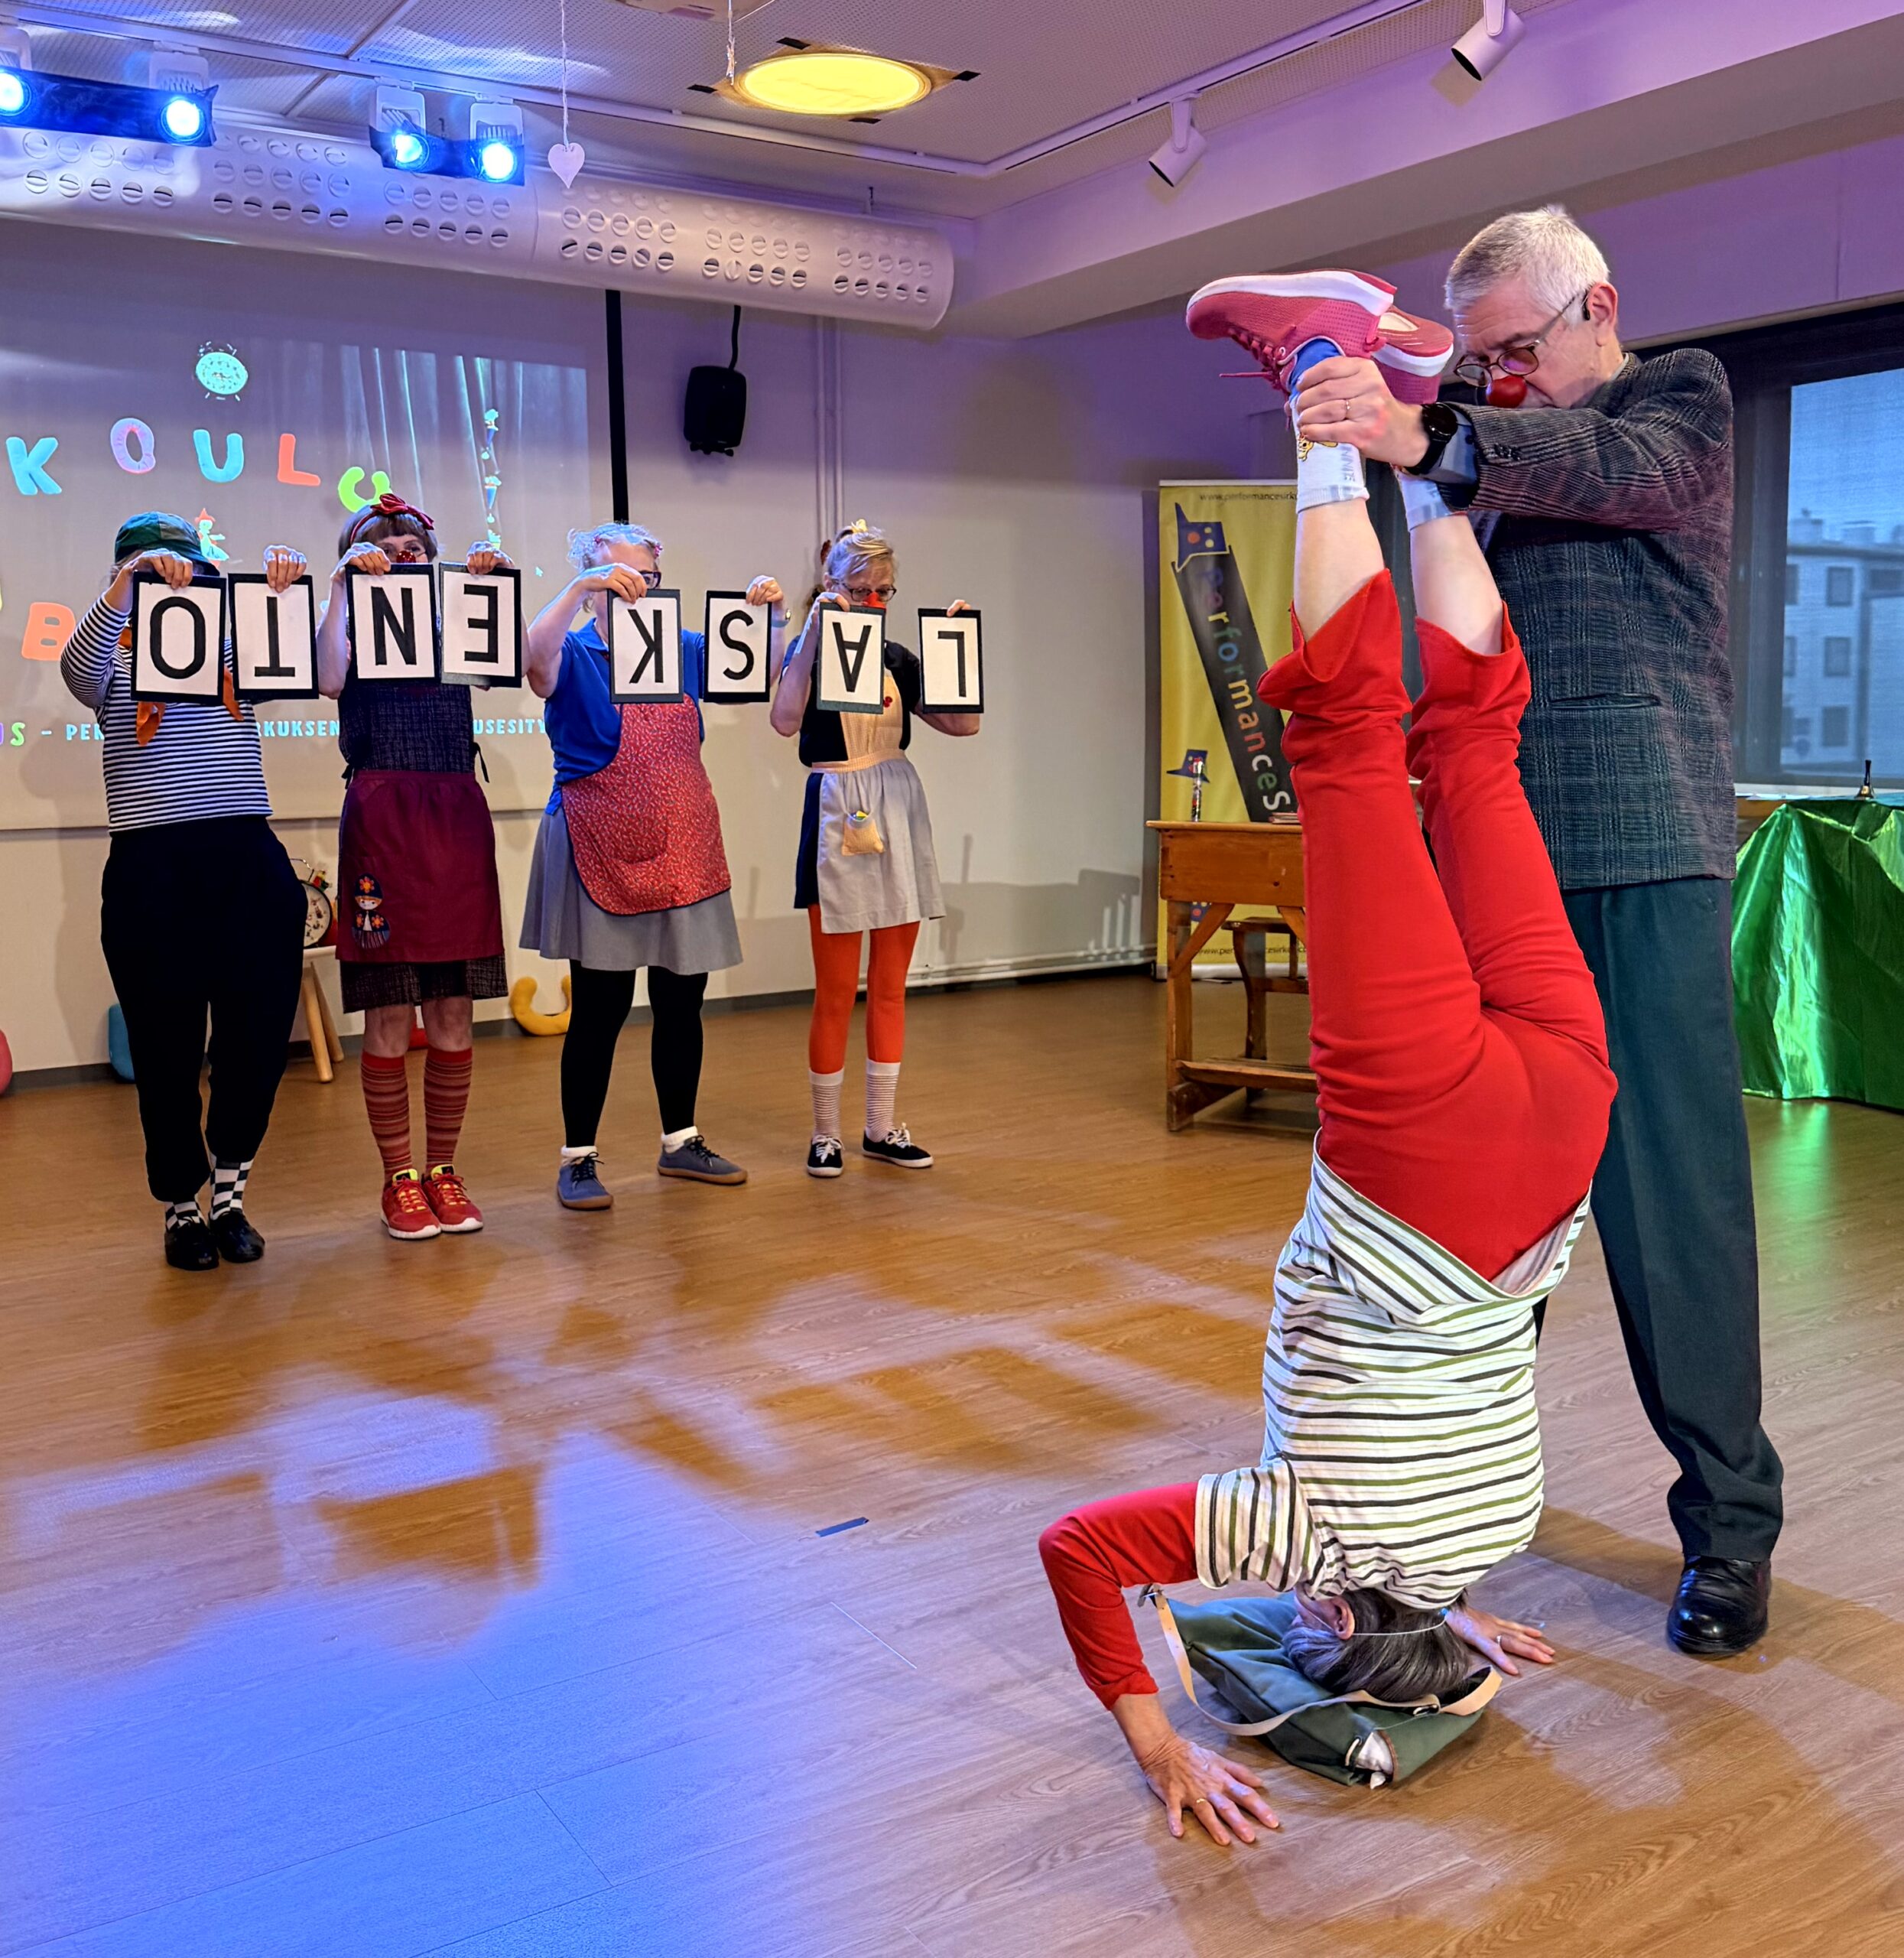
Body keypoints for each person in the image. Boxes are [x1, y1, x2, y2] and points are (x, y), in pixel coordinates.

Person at [1041, 274, 1616, 1846]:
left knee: (1476, 754)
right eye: (1310, 1629)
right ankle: (1323, 365)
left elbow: (1421, 1563)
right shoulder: (1305, 1534)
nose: (1286, 1613)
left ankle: (1429, 444)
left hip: (1562, 1140)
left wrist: (1450, 1619)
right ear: (1336, 1608)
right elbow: (1081, 1548)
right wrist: (1158, 1738)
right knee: (1348, 751)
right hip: (1421, 1158)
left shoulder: (1495, 1528)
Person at [1229, 209, 1784, 1659]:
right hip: (1497, 846)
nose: (1500, 382)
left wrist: (1424, 432)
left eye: (1516, 351)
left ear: (1597, 304)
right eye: (1479, 363)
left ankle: (1731, 1529)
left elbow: (1615, 469)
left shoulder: (1678, 399)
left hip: (1640, 846)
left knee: (1670, 1212)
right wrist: (1386, 435)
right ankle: (1440, 1512)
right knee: (1476, 1222)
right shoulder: (1483, 436)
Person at [60, 512, 308, 1270]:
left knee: (256, 1041)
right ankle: (179, 1208)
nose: (173, 575)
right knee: (165, 1051)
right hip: (151, 868)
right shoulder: (112, 651)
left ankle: (229, 1197)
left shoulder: (232, 640)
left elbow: (298, 663)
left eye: (185, 565)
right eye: (152, 565)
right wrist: (126, 587)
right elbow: (76, 673)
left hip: (246, 857)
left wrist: (279, 592)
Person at [521, 522, 777, 1208]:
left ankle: (681, 1141)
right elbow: (533, 664)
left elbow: (759, 671)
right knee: (600, 1009)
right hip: (598, 840)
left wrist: (774, 615)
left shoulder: (683, 649)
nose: (635, 589)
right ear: (592, 584)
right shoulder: (574, 651)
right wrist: (578, 588)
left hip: (685, 844)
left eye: (646, 578)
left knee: (681, 1002)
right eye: (617, 577)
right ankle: (578, 1158)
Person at [315, 493, 512, 1243]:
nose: (399, 554)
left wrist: (489, 583)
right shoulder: (350, 626)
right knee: (390, 1010)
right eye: (383, 545)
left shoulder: (456, 621)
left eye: (412, 546)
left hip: (455, 818)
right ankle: (399, 1177)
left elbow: (513, 663)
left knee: (454, 1008)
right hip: (383, 819)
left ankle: (444, 1170)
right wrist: (341, 584)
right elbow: (328, 679)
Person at [768, 523, 979, 1176]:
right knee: (835, 990)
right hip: (836, 804)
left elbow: (963, 724)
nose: (873, 602)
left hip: (897, 804)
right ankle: (825, 1133)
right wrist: (811, 635)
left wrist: (954, 654)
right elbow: (784, 719)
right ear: (831, 586)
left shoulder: (896, 658)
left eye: (883, 591)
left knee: (889, 986)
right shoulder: (806, 651)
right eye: (860, 590)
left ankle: (881, 1127)